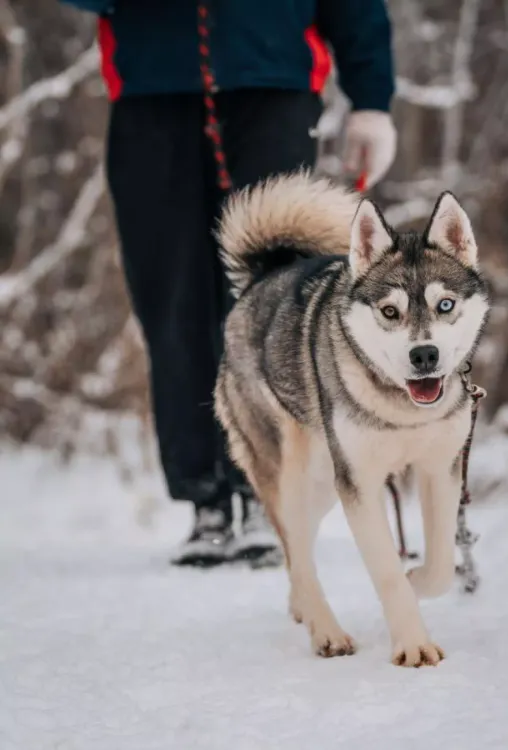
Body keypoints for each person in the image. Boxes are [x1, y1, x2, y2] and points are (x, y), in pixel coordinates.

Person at [61, 0, 397, 567]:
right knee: (171, 299)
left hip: (273, 82)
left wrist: (371, 99)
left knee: (276, 294)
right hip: (151, 94)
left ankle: (273, 488)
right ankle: (207, 498)